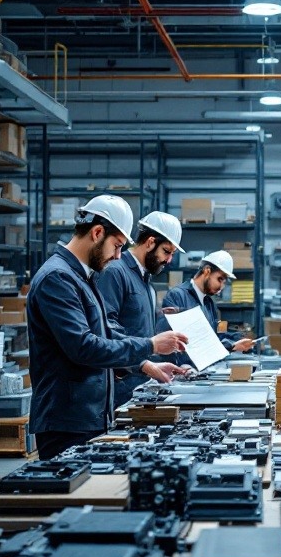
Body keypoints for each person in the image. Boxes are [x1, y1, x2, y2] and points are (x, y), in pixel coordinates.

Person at [27, 195, 188, 461]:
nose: (117, 256)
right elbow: (84, 346)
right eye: (116, 246)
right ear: (97, 232)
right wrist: (150, 345)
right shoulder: (58, 278)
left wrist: (146, 364)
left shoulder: (82, 277)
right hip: (67, 419)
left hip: (86, 416)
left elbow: (104, 333)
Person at [96, 211, 187, 407]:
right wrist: (143, 365)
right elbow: (106, 330)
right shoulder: (115, 272)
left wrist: (151, 364)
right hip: (117, 389)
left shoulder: (145, 280)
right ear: (150, 242)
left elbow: (135, 326)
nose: (169, 260)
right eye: (166, 251)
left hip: (138, 384)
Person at [155, 250, 256, 362]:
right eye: (220, 279)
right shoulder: (177, 296)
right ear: (207, 271)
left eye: (224, 282)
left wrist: (238, 338)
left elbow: (217, 334)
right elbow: (175, 341)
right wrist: (230, 346)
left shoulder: (209, 303)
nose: (221, 287)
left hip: (202, 370)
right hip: (181, 370)